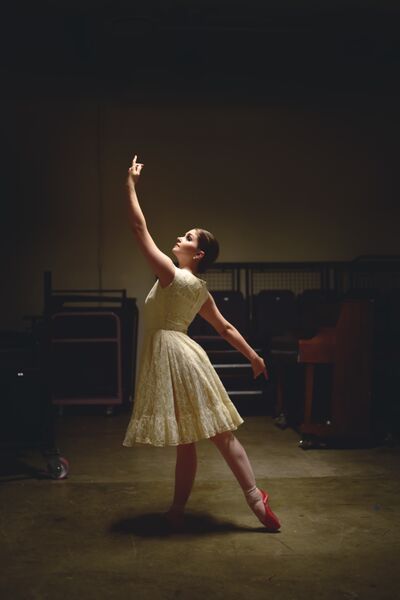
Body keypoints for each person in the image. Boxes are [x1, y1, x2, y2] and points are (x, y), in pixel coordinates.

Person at [123, 155, 280, 532]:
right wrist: (254, 357)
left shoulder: (172, 275)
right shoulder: (199, 289)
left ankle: (254, 499)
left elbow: (137, 226)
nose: (181, 237)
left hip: (176, 356)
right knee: (200, 438)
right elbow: (225, 329)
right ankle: (219, 505)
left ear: (198, 255)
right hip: (184, 357)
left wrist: (129, 184)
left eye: (189, 237)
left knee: (208, 436)